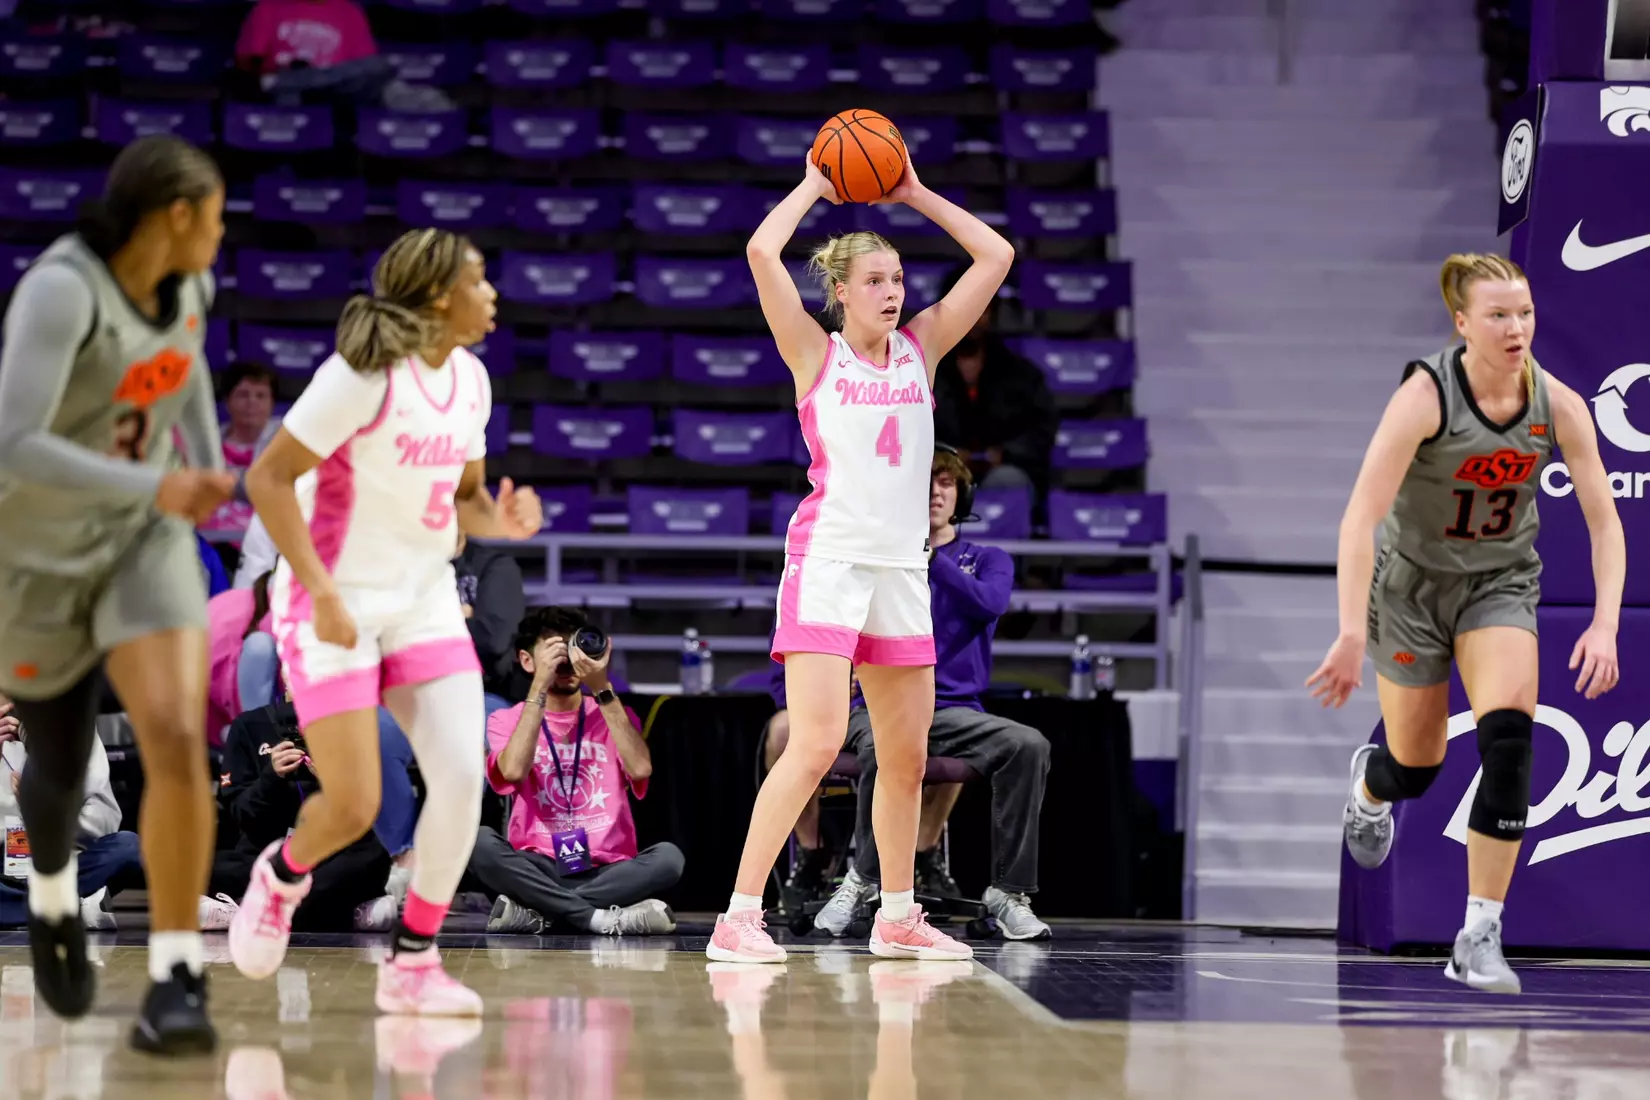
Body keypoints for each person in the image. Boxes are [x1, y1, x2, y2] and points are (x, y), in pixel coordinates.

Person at [707, 150, 1015, 964]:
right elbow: (760, 254)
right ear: (840, 291)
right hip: (831, 562)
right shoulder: (815, 355)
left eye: (899, 277)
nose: (894, 291)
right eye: (875, 280)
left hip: (900, 573)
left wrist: (914, 192)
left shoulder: (924, 349)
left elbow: (997, 256)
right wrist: (813, 185)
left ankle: (898, 915)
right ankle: (738, 916)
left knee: (906, 757)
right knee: (813, 744)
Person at [227, 228, 543, 1016]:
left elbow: (465, 500)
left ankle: (414, 960)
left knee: (463, 781)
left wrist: (501, 521)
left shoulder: (471, 379)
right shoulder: (362, 376)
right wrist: (320, 592)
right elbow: (267, 479)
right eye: (480, 279)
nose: (493, 295)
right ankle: (282, 875)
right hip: (332, 599)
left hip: (422, 597)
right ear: (440, 297)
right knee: (355, 804)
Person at [1307, 253, 1624, 995]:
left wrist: (1605, 624)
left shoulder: (1560, 404)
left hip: (1499, 584)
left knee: (1511, 742)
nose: (1517, 329)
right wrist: (1351, 630)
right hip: (1412, 589)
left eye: (1526, 313)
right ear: (1462, 324)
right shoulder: (1426, 396)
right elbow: (1362, 516)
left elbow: (1605, 525)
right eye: (1498, 316)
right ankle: (1373, 788)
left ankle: (1479, 933)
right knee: (1417, 766)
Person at [0, 134, 235, 1053]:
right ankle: (53, 894)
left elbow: (189, 364)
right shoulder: (62, 292)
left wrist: (207, 464)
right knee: (54, 770)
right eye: (215, 217)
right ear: (176, 216)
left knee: (175, 733)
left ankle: (177, 974)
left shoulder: (191, 287)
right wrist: (156, 484)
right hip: (43, 545)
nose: (222, 235)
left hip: (144, 538)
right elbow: (14, 442)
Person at [815, 446, 1052, 941]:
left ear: (960, 494)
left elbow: (988, 605)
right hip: (877, 706)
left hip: (954, 711)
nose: (934, 492)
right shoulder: (875, 560)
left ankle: (1009, 891)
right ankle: (863, 879)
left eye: (945, 483)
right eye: (924, 482)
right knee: (887, 743)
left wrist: (930, 557)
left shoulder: (988, 560)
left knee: (1027, 744)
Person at [472, 607, 682, 936]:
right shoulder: (505, 720)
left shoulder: (613, 712)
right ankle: (598, 918)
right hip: (537, 865)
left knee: (669, 859)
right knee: (479, 842)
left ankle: (541, 913)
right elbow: (511, 772)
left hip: (607, 867)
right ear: (527, 661)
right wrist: (539, 687)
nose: (567, 662)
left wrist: (602, 688)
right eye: (554, 651)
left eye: (573, 648)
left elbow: (641, 769)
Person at [930, 266, 1057, 496]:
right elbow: (904, 431)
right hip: (940, 473)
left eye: (982, 308)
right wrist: (945, 454)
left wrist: (1004, 454)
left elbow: (1041, 430)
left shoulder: (1021, 374)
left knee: (1009, 480)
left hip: (1002, 472)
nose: (974, 317)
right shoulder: (921, 371)